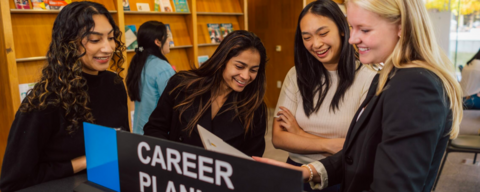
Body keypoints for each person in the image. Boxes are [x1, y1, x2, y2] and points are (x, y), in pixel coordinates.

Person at [254, 0, 463, 191]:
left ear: (401, 27)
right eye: (352, 28)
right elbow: (363, 150)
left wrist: (301, 135)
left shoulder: (414, 84)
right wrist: (308, 171)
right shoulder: (392, 76)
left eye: (364, 29)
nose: (352, 38)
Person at [0, 2, 130, 191]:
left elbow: (118, 145)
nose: (108, 48)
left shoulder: (114, 84)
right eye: (95, 40)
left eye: (111, 38)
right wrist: (83, 162)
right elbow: (13, 181)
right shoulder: (45, 100)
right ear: (69, 43)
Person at [271, 1, 376, 191]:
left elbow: (360, 148)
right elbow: (278, 138)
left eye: (323, 33)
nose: (316, 44)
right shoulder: (295, 75)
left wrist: (301, 134)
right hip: (296, 171)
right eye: (307, 37)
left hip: (340, 175)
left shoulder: (368, 79)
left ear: (342, 29)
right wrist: (331, 145)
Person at [144, 30, 268, 157]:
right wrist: (169, 159)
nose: (246, 76)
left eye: (253, 70)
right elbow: (155, 128)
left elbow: (253, 160)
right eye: (239, 67)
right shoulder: (182, 85)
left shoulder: (255, 107)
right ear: (222, 60)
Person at [126, 21, 175, 135]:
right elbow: (173, 103)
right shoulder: (163, 68)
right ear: (158, 42)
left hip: (139, 131)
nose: (169, 41)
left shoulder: (139, 62)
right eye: (167, 37)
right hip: (155, 135)